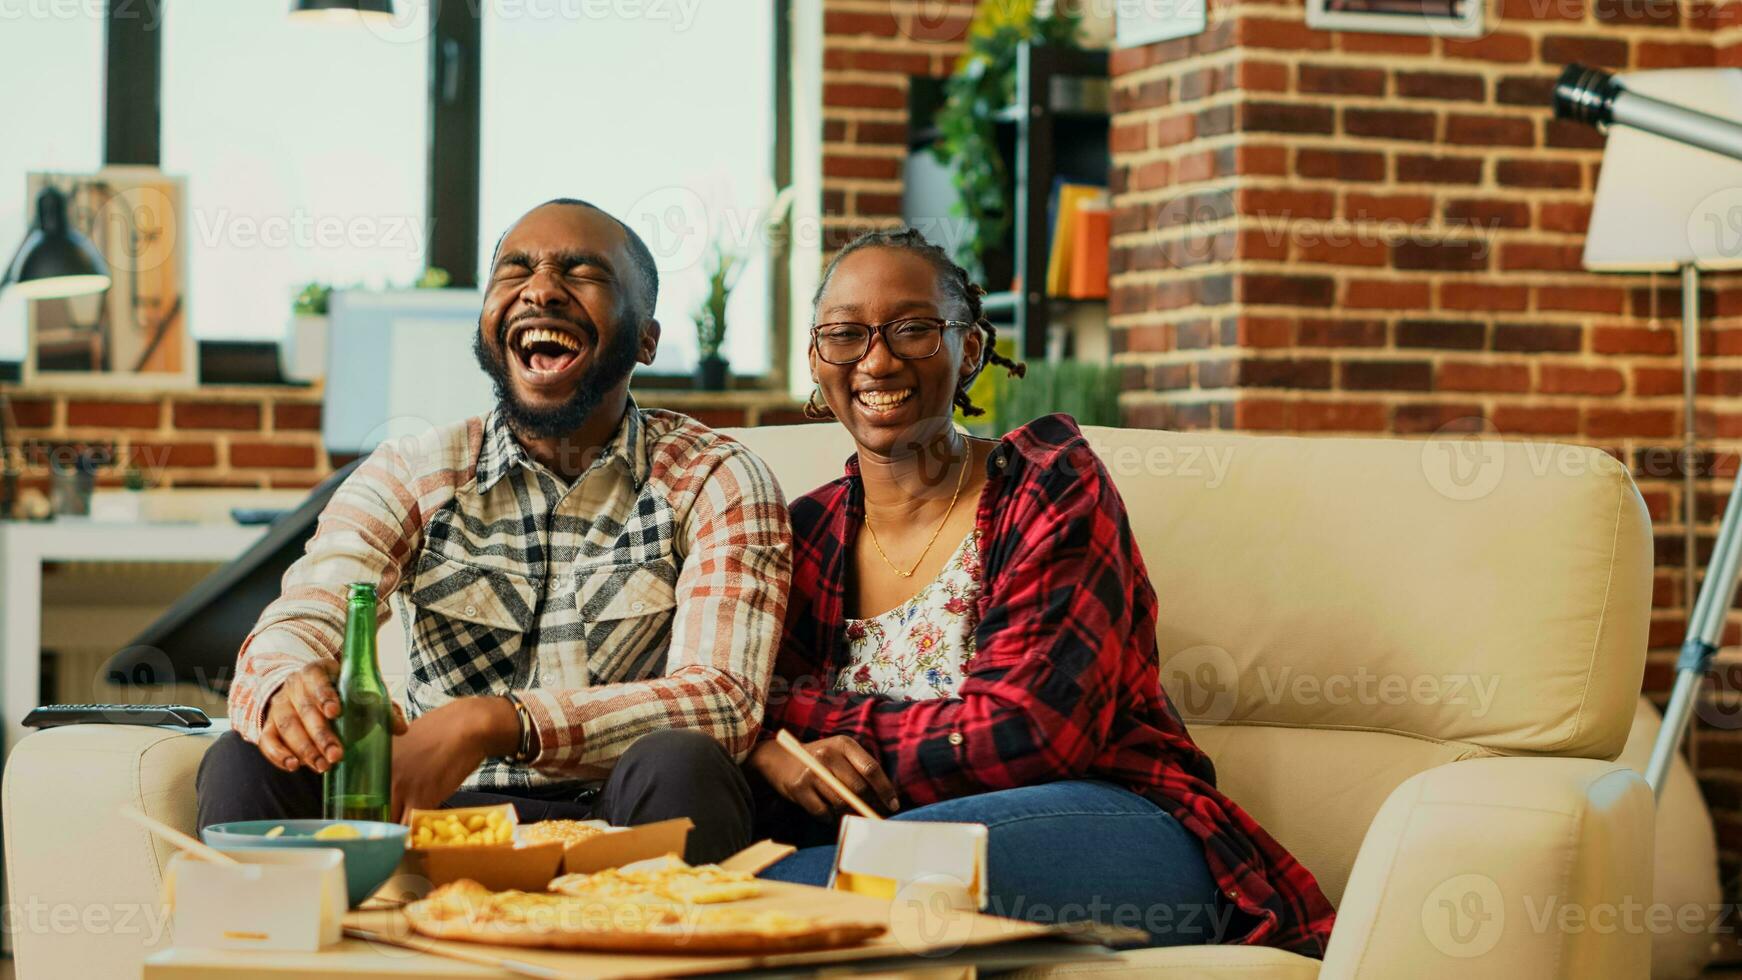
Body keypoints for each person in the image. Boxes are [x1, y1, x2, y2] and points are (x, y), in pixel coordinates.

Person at [747, 228, 1335, 954]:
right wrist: (772, 746)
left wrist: (818, 734)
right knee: (793, 872)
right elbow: (733, 697)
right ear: (815, 357)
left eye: (913, 329)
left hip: (1110, 819)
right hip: (887, 838)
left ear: (970, 349)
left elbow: (1026, 734)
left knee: (779, 891)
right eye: (845, 334)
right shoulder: (801, 533)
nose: (877, 358)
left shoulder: (1050, 486)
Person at [197, 199, 791, 864]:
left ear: (646, 339)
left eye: (583, 272)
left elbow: (723, 702)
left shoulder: (717, 478)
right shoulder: (411, 472)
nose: (540, 288)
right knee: (244, 757)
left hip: (615, 814)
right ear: (486, 324)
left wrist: (494, 721)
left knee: (685, 762)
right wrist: (285, 684)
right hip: (429, 810)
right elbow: (306, 613)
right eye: (514, 271)